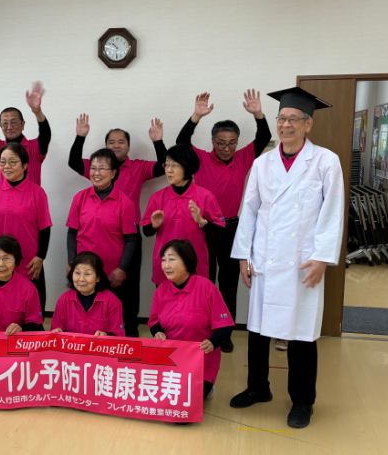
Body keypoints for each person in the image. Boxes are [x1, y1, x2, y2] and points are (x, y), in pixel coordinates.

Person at [230, 87, 344, 429]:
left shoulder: (325, 161)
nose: (286, 125)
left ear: (308, 124)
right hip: (264, 260)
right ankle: (258, 388)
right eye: (281, 118)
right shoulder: (262, 163)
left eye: (294, 119)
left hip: (302, 263)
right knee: (257, 330)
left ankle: (303, 401)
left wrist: (323, 258)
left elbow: (332, 212)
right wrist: (243, 255)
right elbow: (249, 211)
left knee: (300, 333)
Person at [176, 90, 272, 353]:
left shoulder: (243, 158)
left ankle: (224, 333)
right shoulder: (201, 159)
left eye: (232, 143)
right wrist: (196, 116)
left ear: (237, 143)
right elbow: (182, 142)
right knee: (204, 282)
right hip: (203, 228)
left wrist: (258, 114)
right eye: (221, 143)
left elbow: (263, 137)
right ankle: (204, 330)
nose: (227, 148)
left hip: (231, 228)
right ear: (213, 142)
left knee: (228, 285)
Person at [68, 115, 167, 336]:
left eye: (121, 141)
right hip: (97, 234)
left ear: (128, 147)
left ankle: (129, 324)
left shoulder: (139, 167)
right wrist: (80, 137)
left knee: (128, 284)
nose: (116, 145)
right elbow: (74, 162)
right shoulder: (98, 167)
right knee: (93, 281)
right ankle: (97, 325)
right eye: (111, 142)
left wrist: (158, 142)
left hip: (129, 234)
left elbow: (164, 166)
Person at [149, 239, 233, 399]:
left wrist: (213, 342)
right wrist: (157, 332)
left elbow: (225, 324)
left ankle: (208, 387)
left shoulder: (207, 288)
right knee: (160, 397)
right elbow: (154, 322)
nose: (166, 265)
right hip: (171, 358)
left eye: (172, 259)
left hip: (202, 361)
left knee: (187, 401)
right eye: (164, 260)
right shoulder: (161, 290)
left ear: (187, 261)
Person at [66, 148, 137, 332]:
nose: (96, 173)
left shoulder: (125, 202)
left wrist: (122, 269)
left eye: (102, 168)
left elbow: (131, 239)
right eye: (93, 168)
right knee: (83, 315)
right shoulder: (79, 198)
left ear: (113, 173)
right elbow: (72, 233)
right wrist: (71, 262)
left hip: (111, 273)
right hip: (83, 271)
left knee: (110, 319)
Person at [0, 142, 52, 311]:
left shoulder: (37, 193)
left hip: (29, 263)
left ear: (25, 165)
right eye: (2, 162)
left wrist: (40, 257)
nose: (6, 166)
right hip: (0, 261)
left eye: (12, 161)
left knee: (33, 309)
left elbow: (44, 228)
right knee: (2, 307)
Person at [141, 144, 224, 286]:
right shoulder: (157, 197)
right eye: (167, 165)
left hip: (195, 268)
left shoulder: (205, 196)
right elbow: (146, 231)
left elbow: (220, 232)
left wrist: (202, 222)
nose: (169, 170)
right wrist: (154, 226)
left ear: (188, 166)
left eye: (175, 165)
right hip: (165, 269)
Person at [51, 251, 125, 337]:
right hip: (70, 345)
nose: (81, 279)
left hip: (99, 345)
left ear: (98, 277)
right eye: (77, 273)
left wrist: (106, 335)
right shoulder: (64, 299)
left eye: (87, 274)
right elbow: (55, 330)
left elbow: (118, 336)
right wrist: (57, 332)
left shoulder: (112, 302)